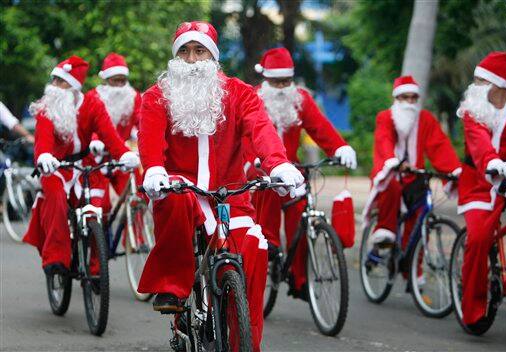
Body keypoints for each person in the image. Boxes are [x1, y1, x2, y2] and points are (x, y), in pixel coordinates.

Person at [137, 22, 303, 351]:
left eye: (200, 51)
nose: (192, 59)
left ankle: (244, 342)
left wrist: (279, 163)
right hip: (180, 189)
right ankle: (172, 287)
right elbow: (150, 138)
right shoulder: (157, 97)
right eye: (184, 51)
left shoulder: (239, 93)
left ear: (213, 57)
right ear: (175, 57)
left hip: (228, 196)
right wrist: (154, 168)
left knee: (254, 247)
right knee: (175, 198)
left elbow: (261, 128)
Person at [244, 47, 357, 299]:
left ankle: (299, 277)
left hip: (293, 170)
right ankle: (270, 243)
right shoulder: (252, 98)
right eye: (276, 81)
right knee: (268, 189)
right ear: (266, 79)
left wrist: (339, 147)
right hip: (259, 167)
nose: (283, 87)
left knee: (301, 215)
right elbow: (243, 136)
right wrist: (251, 162)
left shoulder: (301, 99)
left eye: (286, 81)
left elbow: (319, 127)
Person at [23, 55, 139, 276]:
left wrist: (124, 154)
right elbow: (43, 139)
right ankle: (56, 259)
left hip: (85, 164)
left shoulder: (92, 104)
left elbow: (109, 135)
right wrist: (45, 156)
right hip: (55, 167)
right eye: (54, 80)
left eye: (61, 81)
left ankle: (97, 267)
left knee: (101, 206)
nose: (54, 86)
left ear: (74, 86)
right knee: (55, 199)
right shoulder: (46, 107)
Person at [362, 76, 461, 250]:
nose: (410, 102)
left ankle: (413, 267)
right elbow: (383, 140)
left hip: (415, 175)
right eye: (405, 97)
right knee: (390, 187)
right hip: (391, 173)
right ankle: (384, 233)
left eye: (414, 97)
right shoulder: (386, 117)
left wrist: (453, 171)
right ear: (397, 98)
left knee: (420, 215)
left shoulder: (425, 119)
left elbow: (439, 145)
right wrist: (393, 163)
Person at [456, 51, 506, 331]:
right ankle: (473, 308)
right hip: (478, 181)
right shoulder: (472, 111)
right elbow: (478, 143)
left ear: (499, 84)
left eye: (480, 80)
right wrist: (492, 162)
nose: (473, 86)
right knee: (478, 239)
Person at [86, 53, 142, 214]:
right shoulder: (92, 97)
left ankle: (136, 236)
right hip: (97, 157)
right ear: (106, 80)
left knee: (138, 195)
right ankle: (100, 236)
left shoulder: (134, 97)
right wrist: (93, 140)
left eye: (122, 80)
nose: (119, 85)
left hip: (123, 156)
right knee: (101, 206)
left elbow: (142, 123)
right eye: (114, 80)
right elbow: (86, 126)